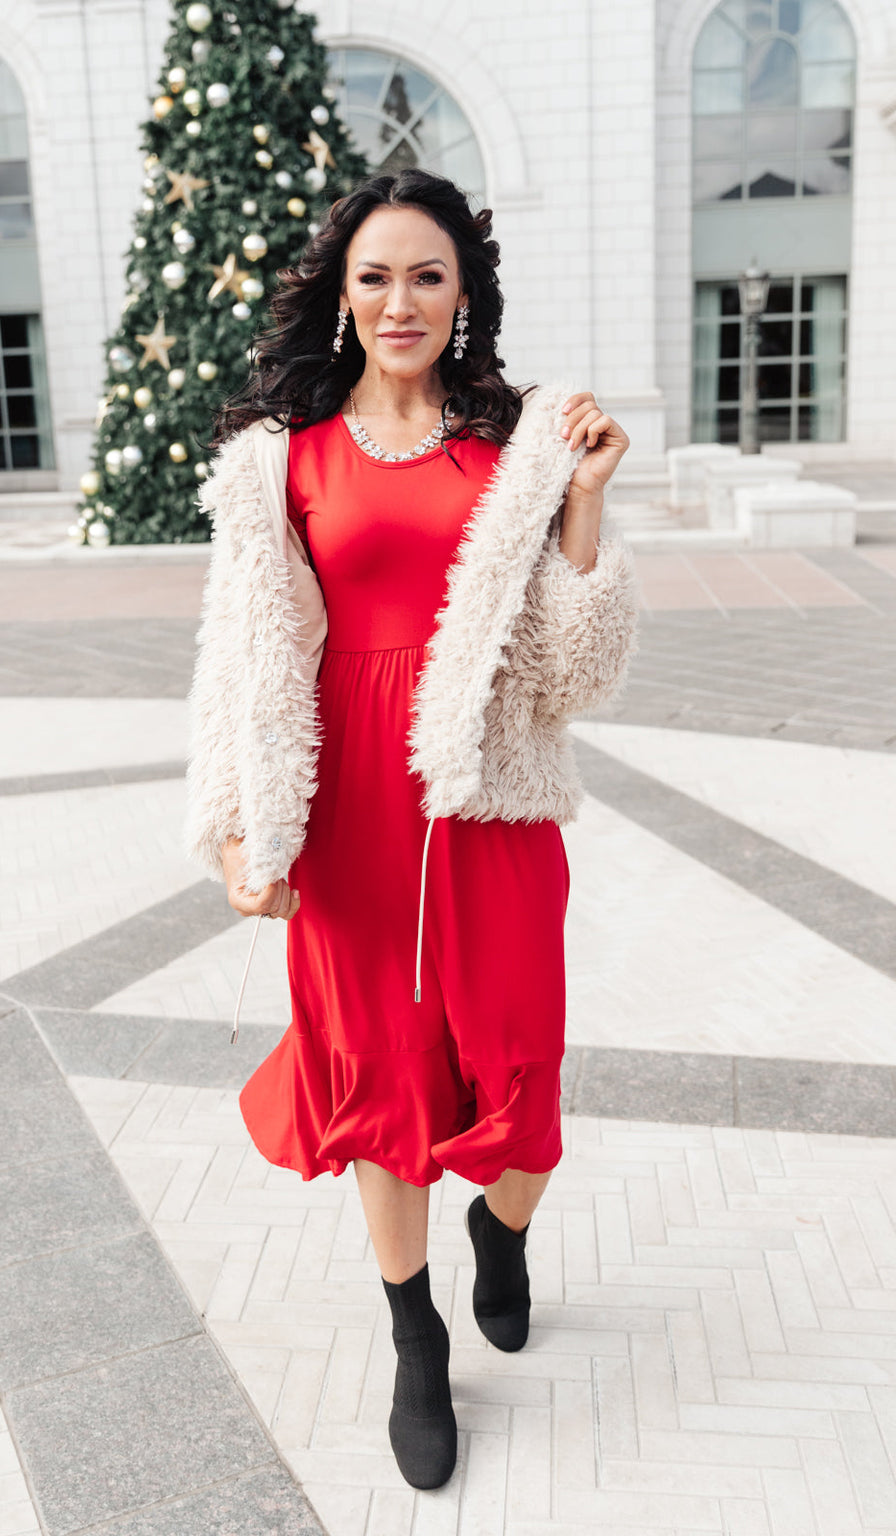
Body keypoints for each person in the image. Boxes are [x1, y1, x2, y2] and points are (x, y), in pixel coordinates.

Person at [184, 168, 637, 1490]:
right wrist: (237, 827)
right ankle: (414, 1332)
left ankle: (501, 1233)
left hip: (486, 806)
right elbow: (242, 655)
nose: (400, 300)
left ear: (462, 295)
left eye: (427, 275)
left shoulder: (516, 454)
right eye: (375, 275)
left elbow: (574, 673)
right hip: (346, 817)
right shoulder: (285, 460)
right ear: (340, 293)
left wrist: (590, 503)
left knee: (525, 1096)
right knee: (384, 1084)